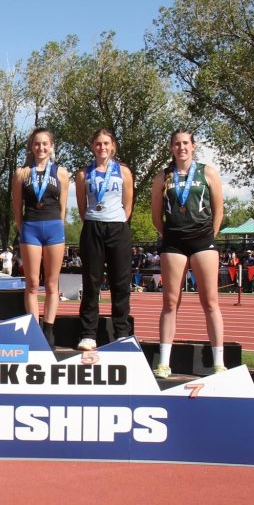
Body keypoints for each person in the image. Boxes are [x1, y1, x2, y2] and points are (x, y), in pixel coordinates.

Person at [150, 129, 225, 378]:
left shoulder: (207, 172)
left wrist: (209, 236)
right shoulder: (164, 176)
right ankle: (164, 362)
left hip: (203, 240)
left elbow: (218, 210)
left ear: (193, 146)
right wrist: (170, 234)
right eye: (176, 144)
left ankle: (218, 362)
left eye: (185, 143)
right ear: (171, 148)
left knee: (210, 301)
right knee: (170, 302)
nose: (181, 147)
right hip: (174, 242)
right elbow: (155, 216)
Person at [75, 128, 134, 351]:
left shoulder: (124, 172)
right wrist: (95, 219)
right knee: (91, 283)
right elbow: (82, 207)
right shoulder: (83, 174)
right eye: (98, 143)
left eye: (106, 143)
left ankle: (121, 333)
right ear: (92, 147)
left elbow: (128, 205)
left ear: (113, 146)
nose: (102, 147)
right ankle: (89, 334)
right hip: (93, 226)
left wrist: (116, 220)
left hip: (118, 227)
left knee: (121, 283)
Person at [12, 127, 69, 346]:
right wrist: (22, 228)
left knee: (52, 284)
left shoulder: (61, 173)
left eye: (45, 143)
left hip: (54, 228)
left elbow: (63, 206)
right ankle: (34, 331)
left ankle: (49, 330)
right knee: (33, 283)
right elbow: (17, 207)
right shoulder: (21, 173)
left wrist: (59, 227)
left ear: (51, 146)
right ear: (31, 146)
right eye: (37, 143)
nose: (41, 147)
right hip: (31, 229)